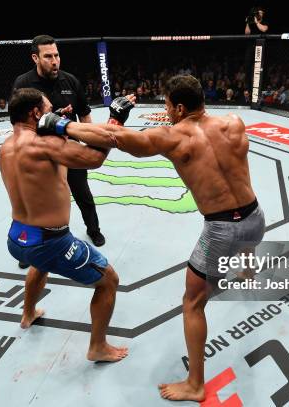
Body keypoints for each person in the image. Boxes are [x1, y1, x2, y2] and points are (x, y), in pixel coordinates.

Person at [40, 75, 265, 402]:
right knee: (246, 239)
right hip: (256, 217)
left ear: (180, 106)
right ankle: (248, 269)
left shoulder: (174, 138)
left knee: (193, 302)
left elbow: (113, 137)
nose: (166, 111)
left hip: (221, 229)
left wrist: (61, 125)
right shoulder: (234, 122)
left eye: (168, 106)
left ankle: (195, 384)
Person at [0, 87, 130, 362]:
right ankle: (98, 347)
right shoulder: (43, 145)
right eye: (48, 109)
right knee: (109, 281)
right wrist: (115, 120)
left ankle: (28, 314)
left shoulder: (6, 146)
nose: (53, 114)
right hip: (52, 240)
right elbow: (95, 158)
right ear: (36, 113)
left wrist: (58, 122)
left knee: (39, 263)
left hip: (18, 238)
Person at [13, 35, 106, 255]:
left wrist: (89, 142)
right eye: (48, 56)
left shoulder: (70, 81)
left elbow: (84, 115)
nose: (54, 61)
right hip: (39, 152)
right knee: (34, 200)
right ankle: (28, 246)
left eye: (56, 55)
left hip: (68, 149)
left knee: (83, 192)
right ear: (35, 57)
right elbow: (18, 124)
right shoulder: (23, 84)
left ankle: (94, 229)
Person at [244, 6, 269, 94]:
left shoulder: (264, 21)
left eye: (261, 13)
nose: (260, 14)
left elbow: (264, 29)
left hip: (260, 47)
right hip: (251, 46)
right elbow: (247, 33)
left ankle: (262, 88)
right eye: (259, 12)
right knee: (248, 66)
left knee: (259, 68)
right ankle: (248, 89)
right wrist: (247, 23)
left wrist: (256, 22)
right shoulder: (251, 21)